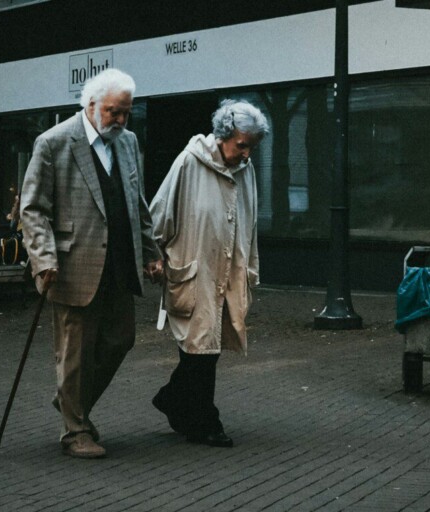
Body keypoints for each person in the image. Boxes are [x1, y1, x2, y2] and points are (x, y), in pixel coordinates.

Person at [20, 68, 163, 459]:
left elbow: (138, 203)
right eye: (114, 112)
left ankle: (70, 401)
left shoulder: (128, 141)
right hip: (71, 265)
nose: (120, 120)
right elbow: (32, 209)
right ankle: (75, 430)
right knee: (76, 352)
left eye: (126, 113)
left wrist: (150, 253)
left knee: (121, 339)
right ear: (91, 104)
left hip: (119, 261)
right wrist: (43, 258)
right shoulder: (54, 143)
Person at [149, 99, 268, 448]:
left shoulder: (246, 172)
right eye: (242, 145)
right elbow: (160, 210)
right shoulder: (189, 161)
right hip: (195, 266)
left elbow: (252, 222)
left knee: (208, 346)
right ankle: (204, 421)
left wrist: (251, 267)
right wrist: (153, 253)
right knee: (200, 346)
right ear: (224, 135)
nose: (246, 154)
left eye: (252, 147)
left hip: (229, 270)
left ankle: (174, 401)